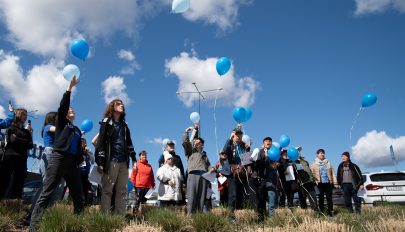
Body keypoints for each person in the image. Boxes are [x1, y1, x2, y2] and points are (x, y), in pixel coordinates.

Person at [29, 76, 84, 231]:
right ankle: (33, 227)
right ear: (64, 114)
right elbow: (63, 105)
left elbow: (78, 147)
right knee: (47, 192)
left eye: (73, 109)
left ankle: (77, 226)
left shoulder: (77, 130)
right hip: (59, 158)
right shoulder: (61, 124)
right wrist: (69, 88)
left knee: (78, 195)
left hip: (72, 162)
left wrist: (79, 159)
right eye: (69, 110)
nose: (71, 110)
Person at [96, 99, 137, 215]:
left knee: (122, 191)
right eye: (118, 104)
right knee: (107, 190)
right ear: (112, 107)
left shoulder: (124, 126)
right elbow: (101, 143)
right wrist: (100, 162)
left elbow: (129, 143)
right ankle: (104, 218)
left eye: (122, 104)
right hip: (111, 161)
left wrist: (134, 159)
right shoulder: (106, 122)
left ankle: (119, 218)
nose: (122, 105)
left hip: (124, 162)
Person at [0, 108, 33, 199]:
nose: (25, 117)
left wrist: (19, 140)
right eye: (23, 114)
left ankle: (16, 204)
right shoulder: (11, 128)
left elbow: (30, 145)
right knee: (4, 179)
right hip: (10, 156)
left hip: (22, 158)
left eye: (26, 115)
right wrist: (25, 141)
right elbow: (13, 140)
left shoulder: (27, 131)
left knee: (19, 181)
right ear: (18, 115)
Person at [222, 127, 249, 221]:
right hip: (232, 173)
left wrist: (248, 150)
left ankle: (240, 216)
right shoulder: (230, 145)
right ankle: (231, 217)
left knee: (241, 194)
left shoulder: (244, 146)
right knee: (232, 194)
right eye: (236, 134)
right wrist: (229, 139)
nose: (238, 136)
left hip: (241, 173)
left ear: (242, 136)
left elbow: (246, 160)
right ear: (233, 135)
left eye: (240, 134)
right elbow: (224, 152)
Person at [182, 124, 210, 214]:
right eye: (196, 142)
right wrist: (186, 133)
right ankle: (190, 217)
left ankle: (199, 217)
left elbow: (208, 166)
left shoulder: (205, 155)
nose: (198, 143)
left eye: (200, 142)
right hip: (193, 175)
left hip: (203, 177)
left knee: (201, 198)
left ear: (202, 145)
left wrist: (213, 169)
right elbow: (186, 143)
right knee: (192, 197)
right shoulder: (190, 151)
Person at [311, 149, 338, 217]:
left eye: (323, 153)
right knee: (321, 198)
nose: (322, 154)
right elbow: (311, 174)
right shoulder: (314, 164)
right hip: (319, 184)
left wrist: (335, 182)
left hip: (328, 183)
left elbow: (333, 173)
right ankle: (322, 212)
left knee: (329, 198)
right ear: (317, 155)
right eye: (320, 153)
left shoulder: (328, 162)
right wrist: (314, 182)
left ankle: (330, 212)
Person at [158, 140, 186, 204]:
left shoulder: (178, 157)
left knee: (180, 201)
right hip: (169, 183)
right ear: (167, 147)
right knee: (167, 201)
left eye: (172, 145)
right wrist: (163, 154)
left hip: (178, 182)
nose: (171, 146)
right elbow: (160, 167)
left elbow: (182, 169)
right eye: (170, 145)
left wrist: (184, 182)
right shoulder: (164, 156)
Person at [252, 137, 273, 221]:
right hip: (262, 179)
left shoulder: (274, 152)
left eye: (270, 141)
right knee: (261, 198)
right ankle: (261, 217)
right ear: (263, 143)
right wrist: (264, 156)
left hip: (272, 179)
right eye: (266, 141)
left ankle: (272, 218)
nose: (268, 142)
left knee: (271, 198)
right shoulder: (260, 152)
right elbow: (257, 164)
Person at [293, 148, 318, 212]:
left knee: (313, 197)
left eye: (299, 151)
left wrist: (313, 178)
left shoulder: (304, 161)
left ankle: (315, 211)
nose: (298, 152)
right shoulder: (293, 162)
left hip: (309, 181)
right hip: (301, 183)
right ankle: (304, 212)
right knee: (302, 198)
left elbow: (309, 170)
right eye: (297, 151)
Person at [79, 138, 95, 206]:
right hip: (78, 173)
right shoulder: (78, 152)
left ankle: (84, 204)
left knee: (85, 189)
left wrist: (90, 152)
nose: (85, 144)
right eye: (83, 142)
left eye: (85, 142)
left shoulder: (87, 153)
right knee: (79, 190)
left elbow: (93, 161)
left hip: (86, 174)